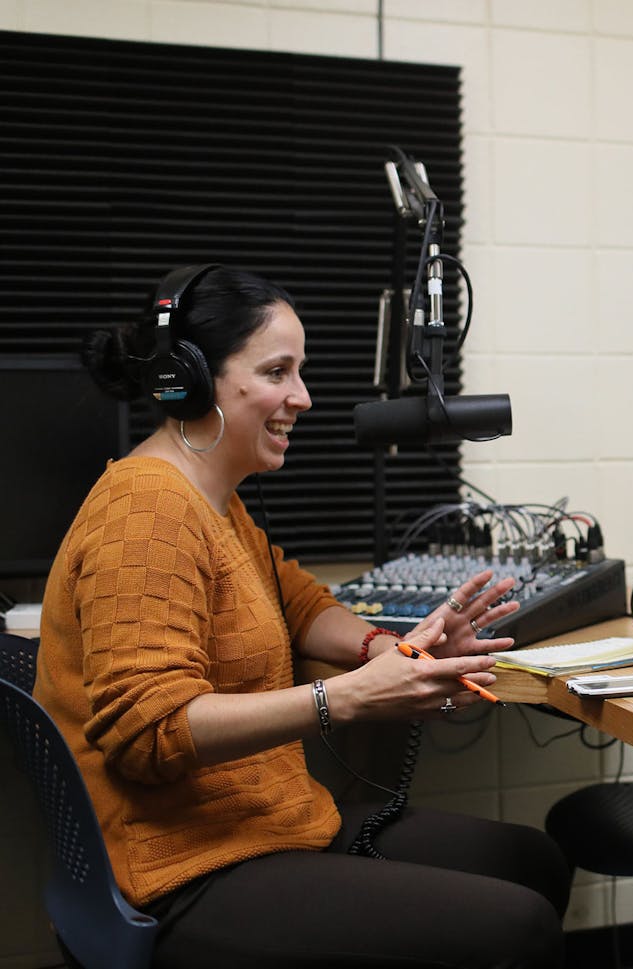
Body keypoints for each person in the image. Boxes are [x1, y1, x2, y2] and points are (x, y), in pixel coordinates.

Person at [34, 265, 570, 969]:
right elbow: (149, 730)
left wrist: (389, 648)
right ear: (190, 380)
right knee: (518, 924)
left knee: (531, 860)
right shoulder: (146, 511)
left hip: (267, 824)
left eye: (301, 370)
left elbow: (301, 604)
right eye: (278, 371)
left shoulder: (214, 502)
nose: (303, 397)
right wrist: (344, 698)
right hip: (188, 872)